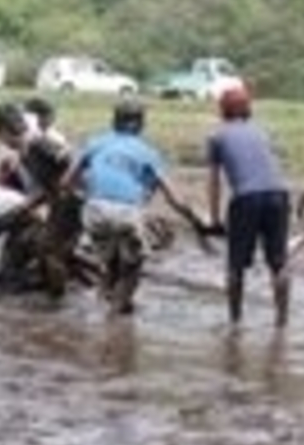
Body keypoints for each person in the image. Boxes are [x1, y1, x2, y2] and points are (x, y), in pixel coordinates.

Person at [64, 100, 206, 316]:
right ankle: (114, 322)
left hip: (95, 209)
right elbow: (173, 198)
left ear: (114, 122)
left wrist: (88, 194)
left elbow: (66, 182)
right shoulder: (147, 152)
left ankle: (105, 308)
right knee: (132, 266)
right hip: (127, 212)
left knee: (109, 262)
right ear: (139, 125)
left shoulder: (95, 143)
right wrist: (195, 219)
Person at [206, 87, 291, 327]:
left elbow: (214, 182)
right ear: (248, 110)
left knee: (235, 266)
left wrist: (214, 220)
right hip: (279, 195)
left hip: (246, 198)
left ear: (223, 110)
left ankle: (235, 322)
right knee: (278, 263)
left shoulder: (217, 137)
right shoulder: (262, 132)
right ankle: (282, 323)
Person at [0, 102, 82, 297]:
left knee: (51, 254)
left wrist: (64, 189)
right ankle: (50, 291)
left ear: (4, 131)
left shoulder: (37, 145)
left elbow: (69, 163)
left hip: (73, 203)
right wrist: (25, 207)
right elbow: (50, 186)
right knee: (37, 247)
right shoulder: (26, 149)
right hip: (62, 203)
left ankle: (57, 305)